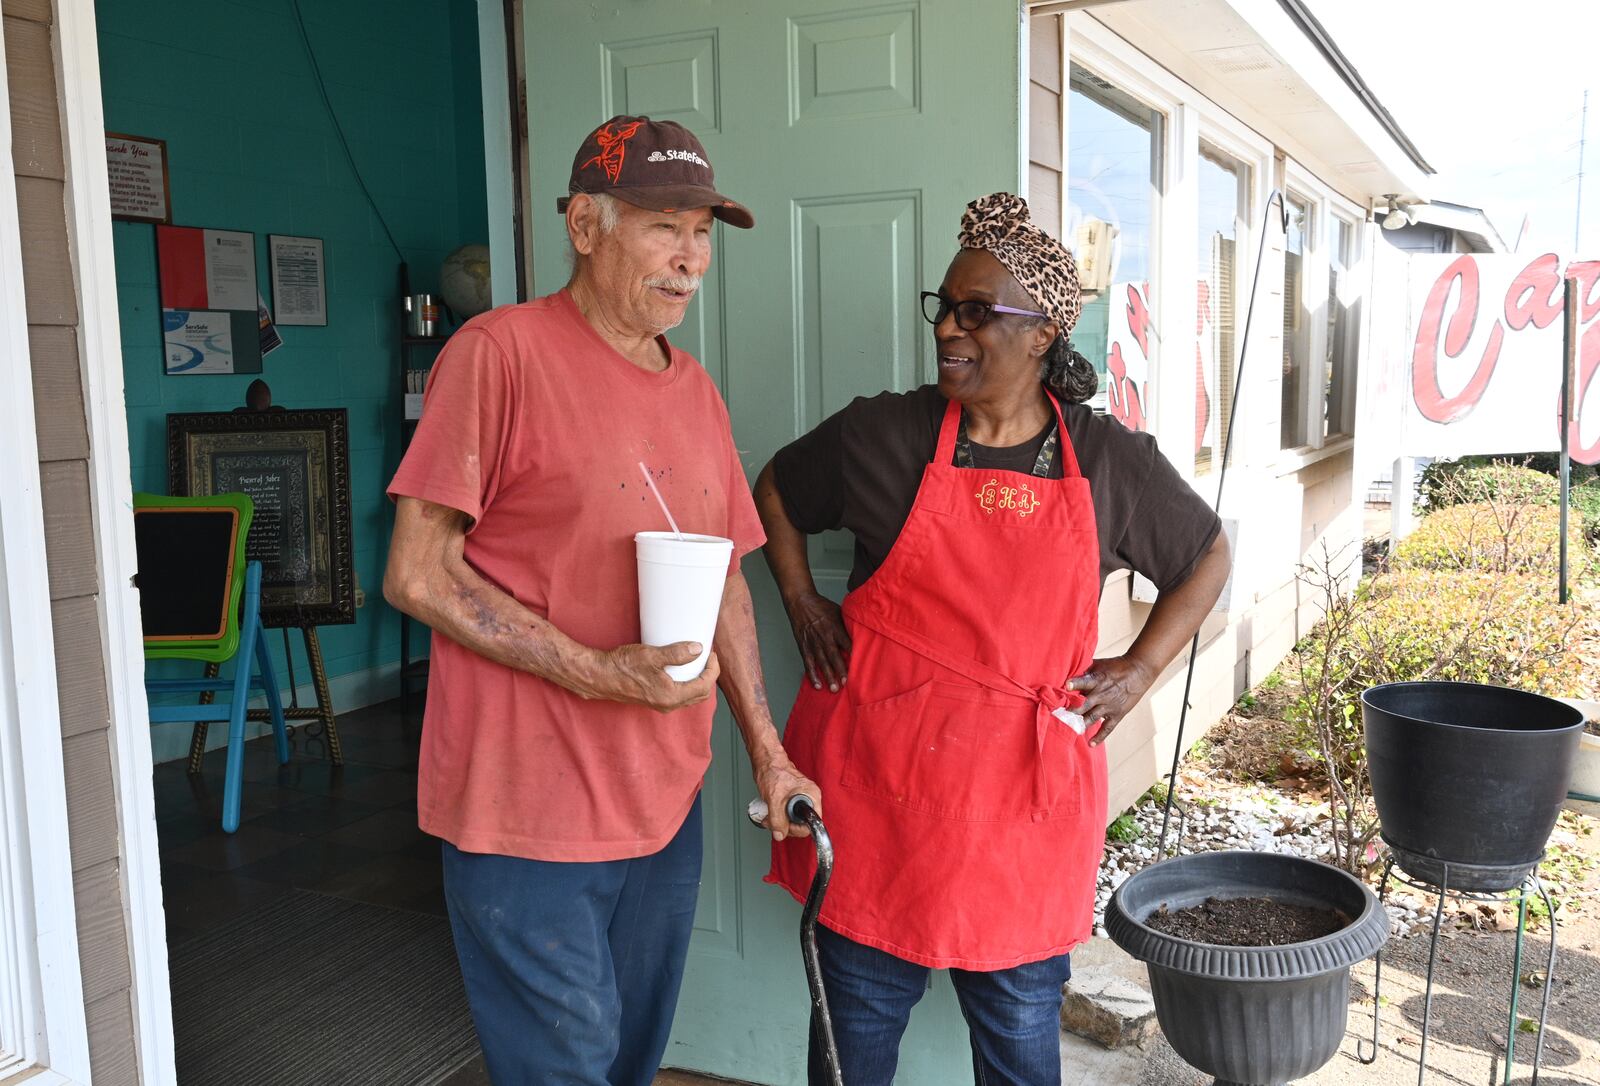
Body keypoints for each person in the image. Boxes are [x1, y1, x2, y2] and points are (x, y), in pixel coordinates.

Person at [384, 115, 819, 1085]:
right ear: (586, 225)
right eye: (666, 226)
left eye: (703, 232)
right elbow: (416, 572)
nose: (692, 259)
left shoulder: (695, 392)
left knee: (628, 1061)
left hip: (659, 804)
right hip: (523, 808)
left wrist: (770, 752)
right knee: (564, 1068)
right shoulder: (499, 356)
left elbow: (726, 583)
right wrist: (596, 673)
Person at [760, 193, 1231, 1085]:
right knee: (849, 1050)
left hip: (1021, 815)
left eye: (980, 312)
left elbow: (1207, 553)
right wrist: (799, 600)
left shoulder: (1105, 460)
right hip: (877, 806)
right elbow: (774, 490)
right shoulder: (884, 435)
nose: (951, 330)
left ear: (1044, 331)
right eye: (947, 306)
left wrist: (1138, 672)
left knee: (1019, 1053)